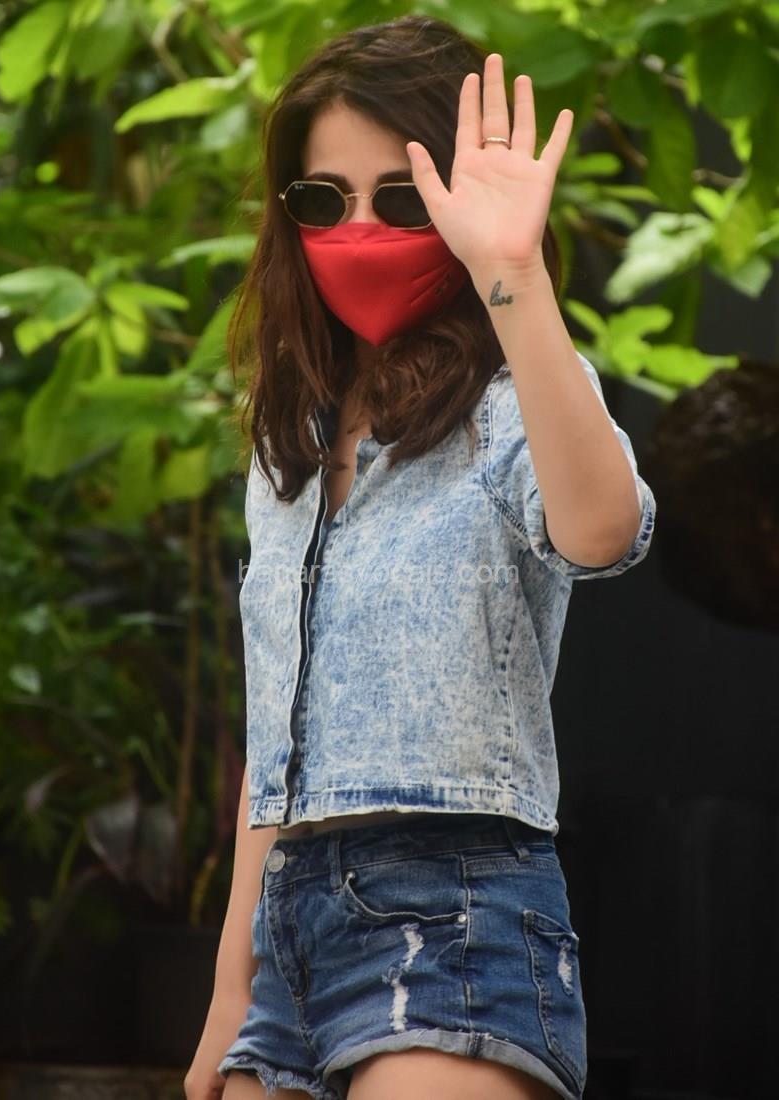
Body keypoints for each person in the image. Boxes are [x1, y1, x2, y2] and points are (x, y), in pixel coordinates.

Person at [185, 14, 656, 1100]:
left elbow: (602, 531)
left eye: (401, 200)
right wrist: (228, 987)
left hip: (456, 913)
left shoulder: (510, 405)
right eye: (323, 200)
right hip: (284, 935)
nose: (358, 229)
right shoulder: (287, 446)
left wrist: (512, 273)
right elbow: (276, 732)